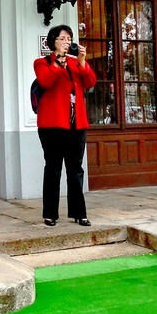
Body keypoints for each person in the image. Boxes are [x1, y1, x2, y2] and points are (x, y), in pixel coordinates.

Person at [33, 24, 97, 227]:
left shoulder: (75, 62)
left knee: (75, 169)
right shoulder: (42, 62)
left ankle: (79, 213)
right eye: (62, 38)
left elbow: (90, 82)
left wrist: (82, 61)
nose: (67, 42)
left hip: (76, 125)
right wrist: (58, 61)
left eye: (69, 39)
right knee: (53, 169)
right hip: (52, 125)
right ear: (53, 41)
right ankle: (50, 214)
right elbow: (45, 81)